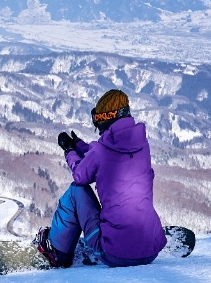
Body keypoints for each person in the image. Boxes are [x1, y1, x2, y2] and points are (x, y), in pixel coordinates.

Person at [35, 89, 166, 268]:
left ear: (104, 118)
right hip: (151, 251)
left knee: (76, 190)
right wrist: (79, 146)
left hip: (114, 253)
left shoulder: (100, 151)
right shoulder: (142, 146)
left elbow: (80, 175)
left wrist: (69, 151)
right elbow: (106, 155)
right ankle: (139, 238)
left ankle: (58, 251)